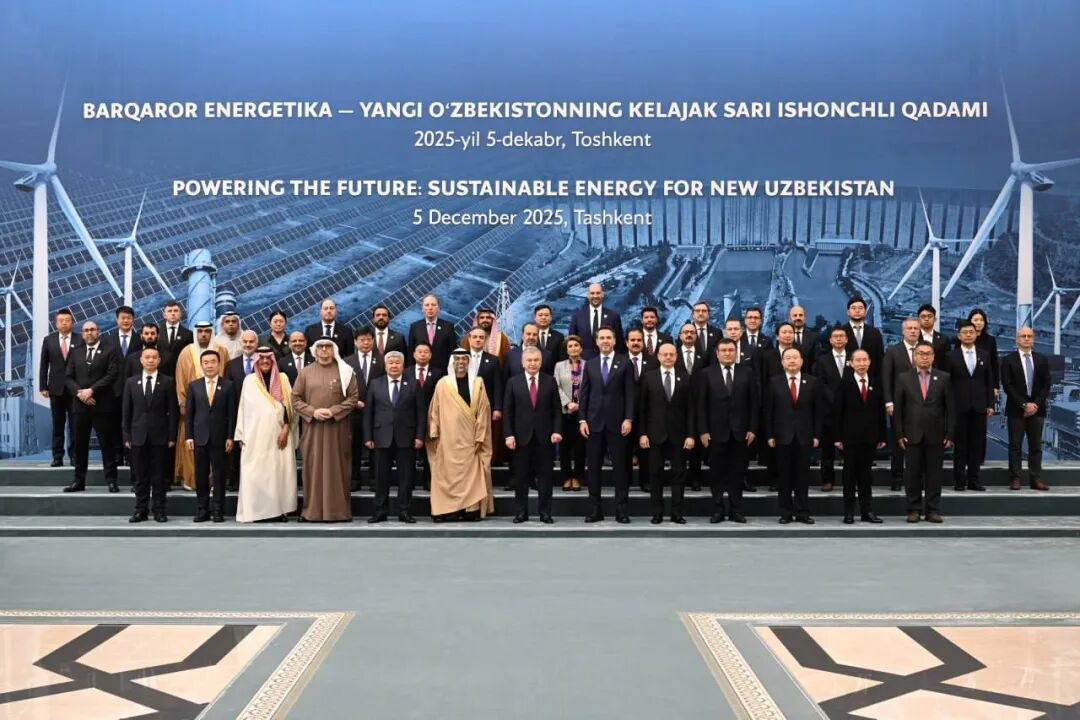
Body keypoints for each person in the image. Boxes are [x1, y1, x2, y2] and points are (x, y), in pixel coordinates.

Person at [293, 338, 359, 522]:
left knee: (337, 469)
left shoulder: (346, 371)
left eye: (328, 346)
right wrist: (313, 412)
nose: (324, 349)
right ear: (314, 350)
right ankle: (311, 512)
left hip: (337, 429)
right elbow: (295, 399)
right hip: (312, 429)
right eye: (320, 346)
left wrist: (333, 411)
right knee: (312, 469)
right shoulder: (305, 372)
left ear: (334, 349)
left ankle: (339, 512)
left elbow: (353, 398)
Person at [427, 348, 494, 521]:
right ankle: (448, 510)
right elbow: (435, 410)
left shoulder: (478, 383)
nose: (461, 362)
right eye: (457, 359)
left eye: (464, 359)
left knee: (470, 474)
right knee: (447, 475)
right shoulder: (443, 384)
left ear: (468, 362)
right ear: (452, 362)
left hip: (471, 439)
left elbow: (483, 411)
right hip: (448, 439)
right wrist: (434, 431)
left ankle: (470, 508)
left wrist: (480, 435)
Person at [234, 347, 299, 522]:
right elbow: (243, 409)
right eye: (261, 358)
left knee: (278, 474)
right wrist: (240, 434)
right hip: (255, 437)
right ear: (256, 361)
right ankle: (257, 512)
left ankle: (279, 511)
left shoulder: (283, 379)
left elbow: (290, 406)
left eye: (268, 359)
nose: (264, 361)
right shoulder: (250, 380)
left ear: (273, 361)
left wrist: (287, 428)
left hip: (280, 436)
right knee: (256, 473)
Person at [578, 326, 635, 523]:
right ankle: (595, 510)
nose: (605, 341)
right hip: (593, 424)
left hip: (618, 424)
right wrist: (582, 419)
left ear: (614, 340)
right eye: (601, 338)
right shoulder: (590, 364)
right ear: (596, 341)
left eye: (608, 337)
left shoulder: (625, 362)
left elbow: (630, 394)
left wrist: (628, 418)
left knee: (620, 469)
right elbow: (584, 394)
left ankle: (622, 510)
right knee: (593, 469)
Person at [698, 339, 758, 523]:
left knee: (737, 473)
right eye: (723, 350)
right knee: (716, 474)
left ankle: (735, 509)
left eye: (731, 350)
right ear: (717, 353)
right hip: (715, 433)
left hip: (740, 433)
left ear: (736, 352)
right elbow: (700, 405)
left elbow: (754, 403)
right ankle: (717, 509)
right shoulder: (706, 373)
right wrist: (703, 430)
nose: (727, 353)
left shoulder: (747, 372)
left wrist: (753, 428)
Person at [894, 341, 954, 523]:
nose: (924, 357)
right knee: (912, 474)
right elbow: (898, 409)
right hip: (911, 434)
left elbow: (951, 409)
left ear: (933, 357)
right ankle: (913, 509)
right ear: (915, 356)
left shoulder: (944, 378)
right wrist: (899, 434)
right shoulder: (903, 378)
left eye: (928, 353)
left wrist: (950, 434)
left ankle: (932, 510)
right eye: (921, 353)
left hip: (936, 435)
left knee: (934, 475)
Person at [363, 350, 426, 522]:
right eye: (390, 363)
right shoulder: (375, 384)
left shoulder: (413, 384)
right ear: (385, 366)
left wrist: (420, 436)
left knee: (406, 478)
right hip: (381, 437)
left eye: (397, 363)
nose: (394, 366)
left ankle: (404, 510)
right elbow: (368, 412)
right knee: (381, 477)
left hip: (406, 437)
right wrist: (368, 437)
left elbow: (421, 412)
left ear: (403, 365)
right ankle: (380, 511)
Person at [764, 347, 825, 524]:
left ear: (801, 361)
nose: (792, 361)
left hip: (805, 436)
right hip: (782, 436)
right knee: (784, 477)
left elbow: (817, 411)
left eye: (795, 358)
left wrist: (817, 435)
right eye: (788, 358)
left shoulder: (812, 382)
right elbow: (768, 412)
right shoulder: (774, 382)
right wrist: (769, 435)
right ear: (782, 362)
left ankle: (802, 512)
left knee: (802, 476)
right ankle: (785, 512)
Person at [504, 347, 563, 523]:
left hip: (545, 438)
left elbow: (557, 410)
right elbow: (508, 412)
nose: (532, 363)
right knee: (521, 477)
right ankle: (521, 512)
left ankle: (545, 512)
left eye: (536, 360)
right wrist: (508, 435)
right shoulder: (513, 382)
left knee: (545, 477)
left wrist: (557, 431)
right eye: (529, 360)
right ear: (523, 363)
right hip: (520, 438)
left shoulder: (550, 381)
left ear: (541, 362)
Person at [639, 342, 694, 523]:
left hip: (679, 435)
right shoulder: (649, 377)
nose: (668, 357)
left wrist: (690, 435)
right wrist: (642, 433)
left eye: (671, 354)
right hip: (655, 435)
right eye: (665, 354)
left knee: (679, 475)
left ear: (676, 356)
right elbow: (643, 409)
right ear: (658, 356)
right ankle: (657, 512)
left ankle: (677, 513)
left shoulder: (685, 377)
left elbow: (690, 409)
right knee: (655, 474)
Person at [122, 346, 177, 523]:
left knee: (159, 477)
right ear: (141, 360)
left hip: (160, 437)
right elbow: (126, 412)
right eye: (147, 357)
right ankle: (141, 510)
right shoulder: (131, 382)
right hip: (137, 437)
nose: (151, 360)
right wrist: (126, 436)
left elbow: (173, 412)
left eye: (154, 357)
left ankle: (159, 510)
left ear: (159, 360)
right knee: (140, 477)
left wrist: (172, 436)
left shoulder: (168, 382)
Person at [64, 321, 120, 493]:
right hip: (80, 406)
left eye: (92, 330)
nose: (89, 333)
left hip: (102, 405)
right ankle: (79, 481)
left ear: (98, 332)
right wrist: (81, 394)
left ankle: (111, 481)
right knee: (80, 446)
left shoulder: (110, 350)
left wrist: (92, 391)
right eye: (86, 330)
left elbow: (112, 374)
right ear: (82, 334)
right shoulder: (76, 352)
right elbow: (68, 377)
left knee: (107, 445)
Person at [832, 349, 886, 524]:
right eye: (858, 360)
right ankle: (848, 512)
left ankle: (867, 511)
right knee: (849, 476)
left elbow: (880, 412)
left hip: (870, 438)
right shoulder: (844, 384)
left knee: (866, 477)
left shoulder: (876, 383)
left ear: (869, 362)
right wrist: (837, 437)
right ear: (851, 363)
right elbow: (837, 412)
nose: (862, 364)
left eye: (865, 360)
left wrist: (882, 436)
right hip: (849, 438)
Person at [173, 321, 229, 490]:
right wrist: (182, 402)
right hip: (192, 409)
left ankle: (214, 482)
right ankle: (192, 480)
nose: (203, 334)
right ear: (196, 333)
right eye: (200, 331)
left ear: (211, 332)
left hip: (217, 408)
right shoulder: (186, 352)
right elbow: (180, 378)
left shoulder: (222, 351)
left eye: (207, 331)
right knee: (191, 443)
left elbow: (226, 379)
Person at [184, 350, 235, 523]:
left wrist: (230, 437)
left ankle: (218, 510)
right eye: (206, 362)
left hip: (220, 438)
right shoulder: (194, 386)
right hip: (200, 438)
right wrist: (189, 436)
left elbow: (231, 414)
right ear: (201, 365)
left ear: (219, 364)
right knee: (201, 476)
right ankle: (202, 510)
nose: (210, 365)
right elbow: (189, 415)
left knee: (219, 476)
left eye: (213, 362)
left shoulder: (228, 385)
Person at [1001, 327, 1051, 491]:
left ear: (1033, 339)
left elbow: (1046, 385)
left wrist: (1035, 404)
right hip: (1017, 410)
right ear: (1017, 339)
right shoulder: (1008, 360)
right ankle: (1015, 478)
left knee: (1036, 446)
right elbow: (1007, 386)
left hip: (1037, 410)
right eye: (1023, 336)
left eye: (1030, 336)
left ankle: (1035, 479)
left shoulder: (1041, 359)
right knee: (1015, 445)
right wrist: (1024, 404)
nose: (1027, 338)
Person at [947, 321, 994, 492]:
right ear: (959, 336)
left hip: (979, 407)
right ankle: (959, 481)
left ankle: (974, 481)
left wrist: (990, 404)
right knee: (960, 447)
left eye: (971, 332)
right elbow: (947, 384)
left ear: (976, 334)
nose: (968, 335)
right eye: (965, 332)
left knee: (976, 446)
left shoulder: (984, 355)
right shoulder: (951, 356)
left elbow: (989, 382)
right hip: (959, 407)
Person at [883, 318, 921, 492]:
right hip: (899, 404)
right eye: (909, 328)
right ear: (903, 331)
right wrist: (888, 401)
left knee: (919, 443)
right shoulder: (893, 351)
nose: (913, 331)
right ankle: (896, 478)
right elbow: (886, 378)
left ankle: (917, 479)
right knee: (899, 443)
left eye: (915, 328)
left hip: (922, 405)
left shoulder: (925, 350)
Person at [39, 308, 79, 467]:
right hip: (55, 389)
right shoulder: (48, 340)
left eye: (67, 320)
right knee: (57, 424)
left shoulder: (80, 339)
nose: (64, 323)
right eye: (61, 321)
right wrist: (43, 386)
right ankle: (57, 456)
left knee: (75, 424)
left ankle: (75, 456)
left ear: (72, 322)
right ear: (56, 323)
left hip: (75, 389)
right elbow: (44, 365)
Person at [812, 326, 849, 492]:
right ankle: (827, 480)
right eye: (835, 336)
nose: (839, 339)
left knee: (850, 451)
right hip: (828, 410)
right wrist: (836, 401)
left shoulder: (855, 357)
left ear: (847, 339)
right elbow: (821, 383)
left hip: (850, 411)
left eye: (842, 336)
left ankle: (850, 480)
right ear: (830, 340)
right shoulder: (822, 360)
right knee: (827, 450)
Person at [104, 305, 141, 467]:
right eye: (122, 318)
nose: (126, 321)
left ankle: (130, 455)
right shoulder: (108, 340)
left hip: (135, 389)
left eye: (129, 318)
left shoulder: (140, 339)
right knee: (114, 423)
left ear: (133, 320)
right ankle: (117, 454)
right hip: (113, 389)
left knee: (133, 422)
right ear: (117, 320)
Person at [624, 328, 656, 491]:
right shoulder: (619, 361)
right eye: (633, 340)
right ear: (626, 343)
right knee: (624, 449)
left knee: (646, 449)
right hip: (624, 414)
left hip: (647, 413)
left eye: (639, 340)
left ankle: (645, 481)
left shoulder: (653, 361)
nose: (636, 343)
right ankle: (626, 481)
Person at [554, 335, 586, 492]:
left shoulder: (588, 365)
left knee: (580, 447)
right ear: (566, 350)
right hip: (565, 412)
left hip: (583, 413)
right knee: (564, 447)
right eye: (570, 346)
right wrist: (568, 403)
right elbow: (556, 386)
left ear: (581, 348)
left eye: (576, 345)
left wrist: (581, 405)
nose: (573, 348)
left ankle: (577, 477)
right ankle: (566, 477)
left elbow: (591, 387)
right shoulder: (559, 366)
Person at [411, 342, 444, 490]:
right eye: (420, 352)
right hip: (411, 417)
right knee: (410, 450)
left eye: (426, 352)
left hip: (432, 416)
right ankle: (410, 481)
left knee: (430, 451)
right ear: (414, 354)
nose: (423, 354)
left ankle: (429, 481)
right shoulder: (406, 372)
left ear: (430, 355)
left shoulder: (439, 373)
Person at [568, 282, 625, 358]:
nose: (595, 296)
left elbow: (619, 342)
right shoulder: (577, 317)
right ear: (588, 295)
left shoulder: (613, 316)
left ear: (602, 294)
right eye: (592, 293)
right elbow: (572, 341)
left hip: (607, 360)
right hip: (584, 362)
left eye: (598, 293)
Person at [408, 294, 457, 371]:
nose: (430, 308)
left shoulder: (448, 327)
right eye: (427, 305)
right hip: (421, 372)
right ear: (422, 309)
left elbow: (452, 351)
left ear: (438, 308)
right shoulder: (415, 327)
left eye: (433, 305)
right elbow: (411, 352)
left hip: (443, 372)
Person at [842, 297, 884, 380]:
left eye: (860, 308)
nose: (857, 311)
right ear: (848, 312)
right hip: (845, 380)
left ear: (865, 312)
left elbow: (880, 359)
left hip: (870, 380)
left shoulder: (875, 333)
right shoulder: (840, 332)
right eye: (853, 308)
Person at [967, 308, 1000, 400]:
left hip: (986, 383)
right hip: (966, 383)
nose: (979, 322)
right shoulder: (963, 339)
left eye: (981, 320)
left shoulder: (991, 340)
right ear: (970, 321)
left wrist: (996, 386)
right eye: (975, 320)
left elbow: (994, 364)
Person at [917, 304, 951, 368]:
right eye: (923, 316)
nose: (926, 319)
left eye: (929, 316)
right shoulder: (913, 338)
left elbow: (947, 362)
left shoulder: (944, 339)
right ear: (918, 319)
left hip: (938, 373)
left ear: (935, 319)